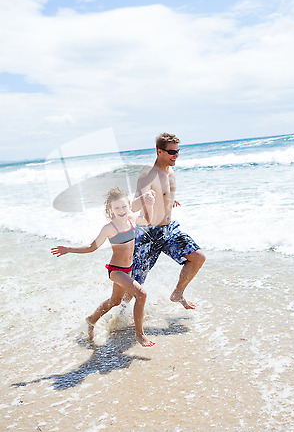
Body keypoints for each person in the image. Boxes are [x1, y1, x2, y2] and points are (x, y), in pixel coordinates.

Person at [51, 186, 155, 347]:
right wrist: (68, 249)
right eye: (116, 208)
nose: (121, 210)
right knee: (141, 294)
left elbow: (147, 220)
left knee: (114, 301)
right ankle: (139, 335)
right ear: (111, 210)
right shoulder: (109, 228)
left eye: (123, 206)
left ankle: (91, 319)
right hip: (116, 270)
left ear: (129, 206)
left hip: (129, 268)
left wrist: (149, 204)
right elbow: (92, 247)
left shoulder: (131, 219)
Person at [126, 132, 206, 309]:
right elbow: (133, 206)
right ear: (159, 151)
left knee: (198, 257)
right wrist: (144, 198)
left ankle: (177, 294)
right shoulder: (148, 173)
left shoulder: (171, 171)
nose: (176, 155)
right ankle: (120, 313)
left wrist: (168, 201)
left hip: (168, 230)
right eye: (171, 152)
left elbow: (163, 194)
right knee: (136, 282)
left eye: (178, 151)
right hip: (148, 233)